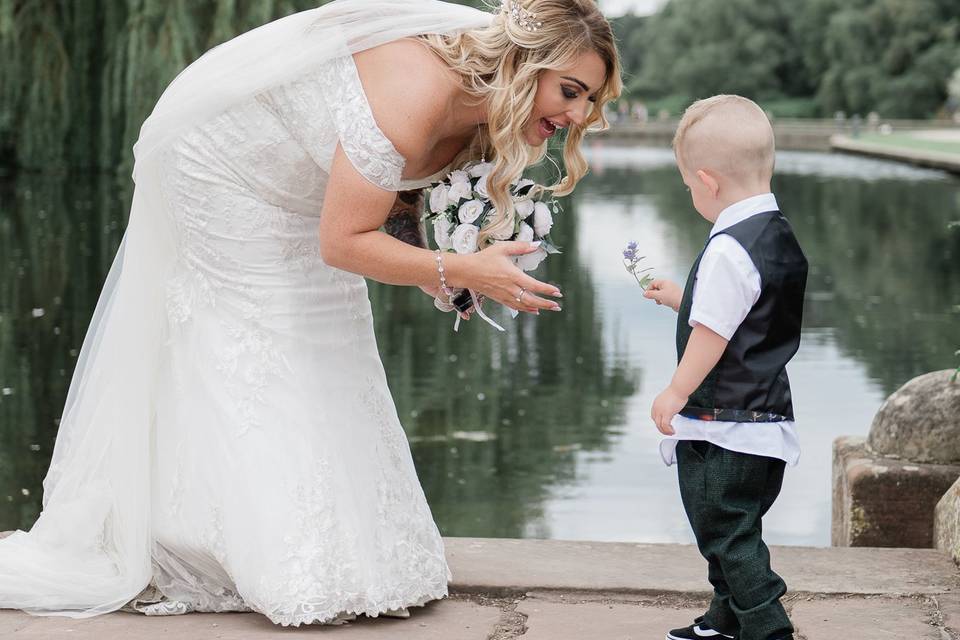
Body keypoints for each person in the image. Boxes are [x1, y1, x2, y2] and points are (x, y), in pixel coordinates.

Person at [0, 0, 621, 627]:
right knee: (259, 328)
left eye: (587, 102)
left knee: (332, 324)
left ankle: (310, 537)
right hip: (221, 158)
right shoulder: (417, 90)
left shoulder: (481, 107)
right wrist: (458, 268)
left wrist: (447, 278)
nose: (574, 116)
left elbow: (394, 196)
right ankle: (227, 545)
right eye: (569, 91)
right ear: (525, 62)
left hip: (305, 172)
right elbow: (344, 241)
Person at [643, 95, 807, 640]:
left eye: (688, 185)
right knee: (732, 526)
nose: (691, 194)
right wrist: (680, 297)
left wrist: (675, 390)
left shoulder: (727, 249)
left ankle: (767, 627)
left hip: (724, 425)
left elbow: (712, 334)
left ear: (708, 182)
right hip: (766, 420)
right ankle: (726, 618)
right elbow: (743, 313)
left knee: (726, 534)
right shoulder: (778, 236)